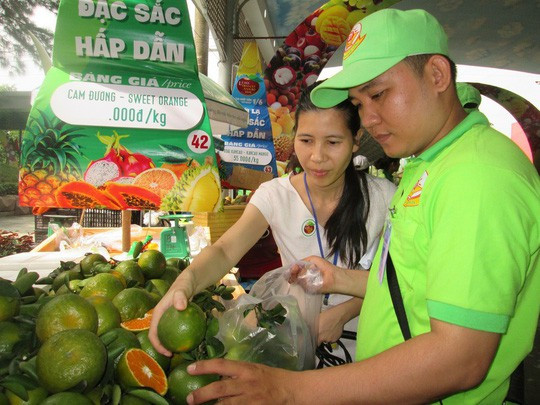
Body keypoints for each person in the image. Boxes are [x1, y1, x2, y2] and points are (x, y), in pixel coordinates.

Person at [179, 8, 540, 404]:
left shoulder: (476, 176)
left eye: (379, 94)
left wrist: (288, 390)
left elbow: (460, 359)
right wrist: (338, 279)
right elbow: (412, 282)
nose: (369, 118)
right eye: (359, 102)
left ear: (437, 75)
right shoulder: (429, 167)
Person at [149, 84, 396, 356]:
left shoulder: (383, 197)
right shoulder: (275, 195)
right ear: (293, 138)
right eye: (306, 140)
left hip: (369, 342)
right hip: (296, 342)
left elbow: (400, 277)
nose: (317, 156)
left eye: (333, 142)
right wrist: (186, 282)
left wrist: (343, 313)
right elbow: (224, 250)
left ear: (356, 140)